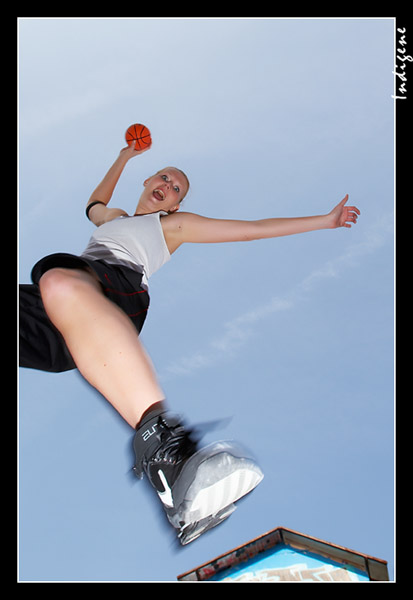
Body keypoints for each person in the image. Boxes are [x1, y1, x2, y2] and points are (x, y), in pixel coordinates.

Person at [19, 139, 360, 544]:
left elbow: (249, 232)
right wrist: (124, 157)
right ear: (148, 181)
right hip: (59, 312)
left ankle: (170, 457)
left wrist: (324, 220)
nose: (168, 184)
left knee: (58, 277)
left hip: (114, 291)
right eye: (164, 177)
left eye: (177, 187)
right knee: (56, 285)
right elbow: (94, 203)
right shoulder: (113, 218)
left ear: (176, 205)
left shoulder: (170, 227)